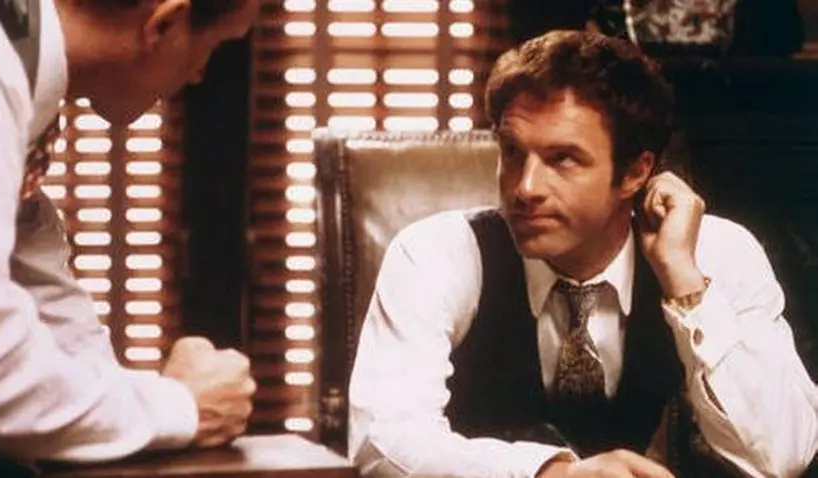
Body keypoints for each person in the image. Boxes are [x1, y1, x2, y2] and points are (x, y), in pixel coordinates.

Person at [348, 30, 818, 478]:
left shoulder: (714, 253)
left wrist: (686, 284)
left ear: (635, 173)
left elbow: (782, 457)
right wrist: (552, 473)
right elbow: (383, 443)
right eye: (512, 152)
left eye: (563, 159)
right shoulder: (437, 254)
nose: (525, 188)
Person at [0, 0, 259, 466]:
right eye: (213, 47)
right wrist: (183, 408)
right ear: (164, 24)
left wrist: (135, 398)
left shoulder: (12, 59)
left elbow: (44, 303)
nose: (199, 74)